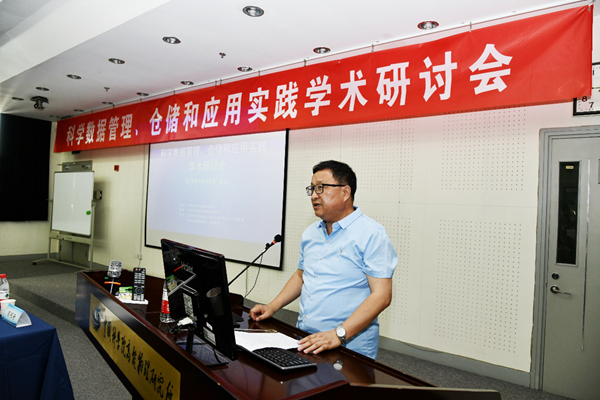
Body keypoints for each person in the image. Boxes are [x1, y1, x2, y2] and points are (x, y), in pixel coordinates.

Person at [249, 160, 397, 359]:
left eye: (320, 188)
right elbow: (302, 276)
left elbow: (381, 295)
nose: (314, 195)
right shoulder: (311, 233)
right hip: (306, 338)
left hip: (349, 345)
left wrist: (338, 334)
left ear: (345, 192)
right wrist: (272, 306)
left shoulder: (371, 234)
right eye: (311, 189)